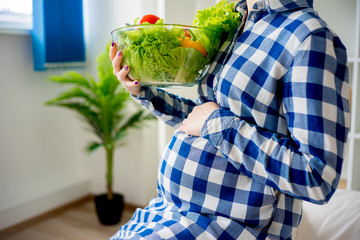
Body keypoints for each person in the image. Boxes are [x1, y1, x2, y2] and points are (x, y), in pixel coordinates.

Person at [109, 0, 350, 239]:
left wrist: (216, 123)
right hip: (170, 209)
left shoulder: (309, 37)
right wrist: (143, 92)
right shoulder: (237, 21)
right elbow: (203, 118)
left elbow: (317, 177)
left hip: (229, 225)